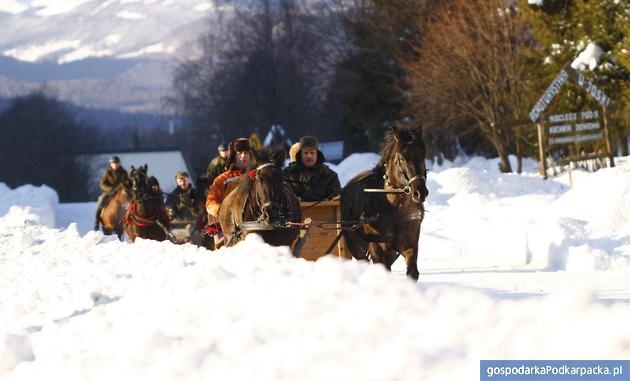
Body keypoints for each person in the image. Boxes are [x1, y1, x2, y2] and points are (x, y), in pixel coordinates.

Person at [205, 138, 255, 219]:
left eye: (246, 153)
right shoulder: (222, 179)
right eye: (240, 153)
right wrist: (224, 212)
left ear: (251, 156)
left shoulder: (258, 176)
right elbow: (210, 202)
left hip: (257, 223)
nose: (243, 156)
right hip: (230, 224)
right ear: (233, 156)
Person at [284, 136, 341, 201]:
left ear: (317, 154)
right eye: (306, 153)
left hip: (323, 210)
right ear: (300, 155)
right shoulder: (288, 174)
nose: (309, 156)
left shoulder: (330, 176)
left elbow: (337, 200)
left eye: (312, 152)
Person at [94, 156, 129, 230]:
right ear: (111, 164)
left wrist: (123, 187)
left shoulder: (124, 172)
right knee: (100, 200)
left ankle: (129, 222)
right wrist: (111, 189)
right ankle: (97, 222)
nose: (115, 165)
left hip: (121, 193)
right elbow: (102, 184)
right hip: (110, 192)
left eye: (116, 163)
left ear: (119, 164)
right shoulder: (107, 172)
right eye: (113, 163)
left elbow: (128, 183)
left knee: (130, 202)